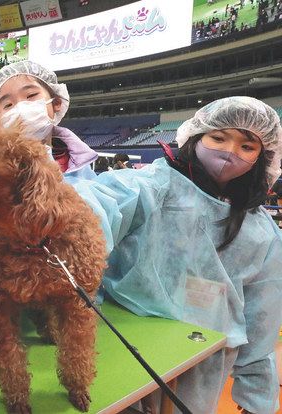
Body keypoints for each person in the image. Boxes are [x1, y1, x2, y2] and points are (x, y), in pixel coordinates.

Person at [72, 96, 282, 413]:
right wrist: (71, 223)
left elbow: (261, 318)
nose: (229, 153)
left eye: (247, 147)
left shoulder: (261, 230)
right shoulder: (156, 185)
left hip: (201, 366)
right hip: (122, 349)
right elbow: (100, 201)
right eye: (219, 138)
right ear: (196, 137)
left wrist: (256, 399)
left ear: (262, 157)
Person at [0, 60, 98, 179]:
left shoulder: (79, 162)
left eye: (31, 95)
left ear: (56, 102)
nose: (21, 108)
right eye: (8, 105)